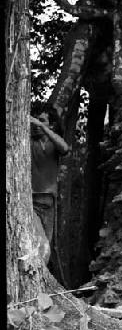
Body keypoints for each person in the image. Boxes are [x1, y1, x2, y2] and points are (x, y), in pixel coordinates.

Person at [30, 104, 69, 260]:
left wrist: (43, 128)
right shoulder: (27, 141)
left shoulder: (53, 143)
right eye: (34, 121)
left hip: (49, 202)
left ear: (50, 124)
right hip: (30, 202)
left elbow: (65, 148)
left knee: (47, 248)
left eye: (41, 120)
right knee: (42, 247)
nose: (36, 125)